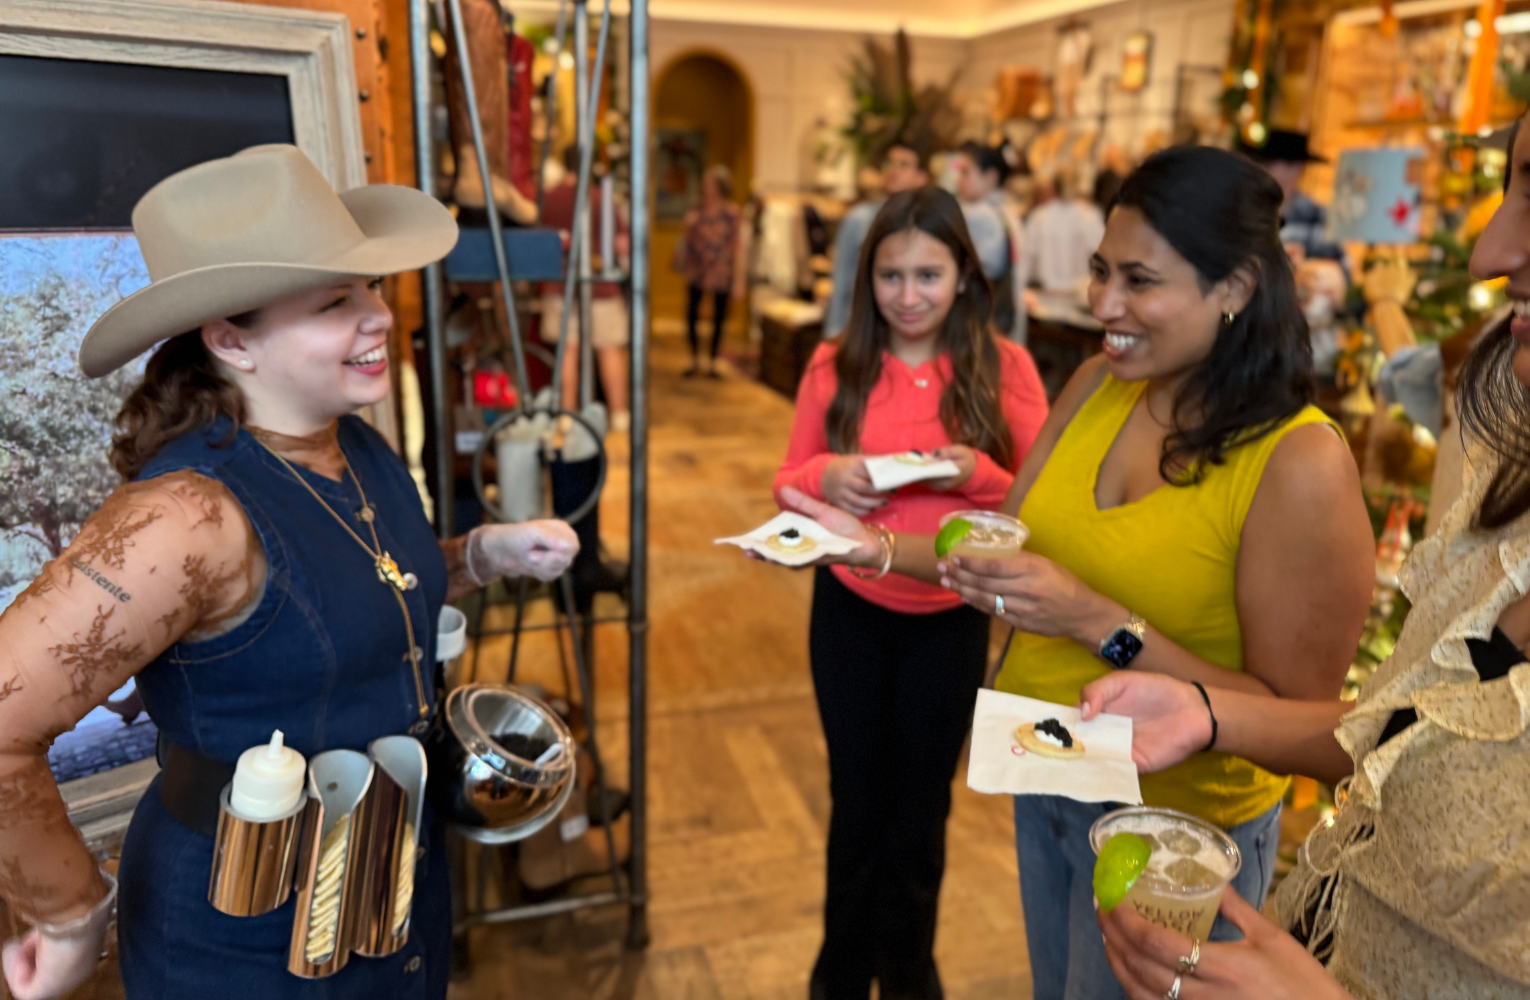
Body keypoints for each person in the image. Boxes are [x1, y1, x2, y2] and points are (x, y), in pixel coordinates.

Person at [782, 147, 1374, 1000]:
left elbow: (1309, 727)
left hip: (1171, 831)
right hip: (1052, 777)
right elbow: (1001, 543)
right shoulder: (1102, 383)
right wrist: (865, 546)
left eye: (1139, 281)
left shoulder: (1297, 462)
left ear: (1237, 287)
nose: (1102, 304)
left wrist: (1101, 622)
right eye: (1101, 272)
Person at [0, 145, 578, 1000]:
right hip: (247, 934)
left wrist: (481, 557)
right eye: (336, 300)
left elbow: (352, 594)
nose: (379, 315)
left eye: (371, 287)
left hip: (394, 890)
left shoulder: (357, 444)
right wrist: (69, 913)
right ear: (233, 340)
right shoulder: (183, 521)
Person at [1086, 119, 1530, 1000]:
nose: (1488, 250)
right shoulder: (1502, 484)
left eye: (1140, 279)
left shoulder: (1297, 458)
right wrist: (1206, 716)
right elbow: (1410, 730)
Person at [772, 186, 1049, 1000]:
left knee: (921, 811)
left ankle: (907, 969)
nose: (909, 295)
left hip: (951, 617)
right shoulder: (837, 364)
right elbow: (788, 480)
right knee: (855, 801)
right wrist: (830, 475)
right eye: (891, 276)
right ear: (869, 280)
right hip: (851, 611)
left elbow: (1036, 499)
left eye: (928, 274)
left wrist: (977, 471)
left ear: (966, 273)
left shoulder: (1005, 367)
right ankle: (839, 971)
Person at [539, 145, 632, 431]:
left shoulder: (549, 199)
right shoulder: (601, 199)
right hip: (601, 284)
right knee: (609, 348)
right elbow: (622, 245)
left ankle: (567, 414)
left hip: (559, 282)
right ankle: (619, 414)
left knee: (567, 350)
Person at [823, 140, 931, 338]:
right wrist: (833, 334)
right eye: (889, 163)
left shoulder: (930, 223)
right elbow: (841, 282)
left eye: (904, 165)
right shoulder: (858, 218)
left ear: (921, 177)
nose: (893, 170)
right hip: (861, 331)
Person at [951, 140, 1027, 341]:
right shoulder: (1007, 212)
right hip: (1002, 316)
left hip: (979, 321)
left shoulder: (980, 214)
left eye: (965, 172)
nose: (958, 180)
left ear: (991, 176)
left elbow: (980, 273)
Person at [1239, 129, 1345, 267]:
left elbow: (1341, 271)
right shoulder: (1242, 207)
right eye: (1262, 162)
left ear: (1297, 168)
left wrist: (1307, 270)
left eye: (1270, 163)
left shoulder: (1317, 217)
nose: (1263, 169)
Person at [678, 164, 744, 378]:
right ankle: (695, 358)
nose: (706, 187)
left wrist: (739, 280)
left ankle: (713, 361)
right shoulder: (696, 210)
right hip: (697, 270)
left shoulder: (731, 213)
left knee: (719, 317)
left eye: (710, 183)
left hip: (721, 272)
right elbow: (685, 239)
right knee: (692, 313)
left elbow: (737, 247)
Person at [1021, 169, 1105, 296]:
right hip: (1079, 293)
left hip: (1045, 294)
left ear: (1053, 187)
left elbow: (1025, 259)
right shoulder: (1091, 216)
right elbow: (1101, 258)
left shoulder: (1039, 217)